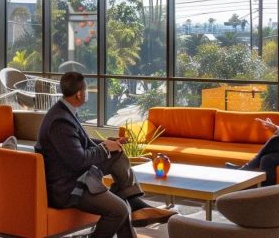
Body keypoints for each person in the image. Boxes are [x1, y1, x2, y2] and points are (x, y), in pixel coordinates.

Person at [36, 72, 175, 238]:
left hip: (75, 174)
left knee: (117, 154)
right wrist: (104, 148)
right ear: (79, 94)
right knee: (119, 209)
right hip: (68, 187)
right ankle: (134, 205)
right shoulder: (60, 121)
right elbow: (79, 160)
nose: (87, 93)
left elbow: (80, 143)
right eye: (86, 89)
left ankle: (135, 202)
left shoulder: (65, 110)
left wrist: (108, 143)